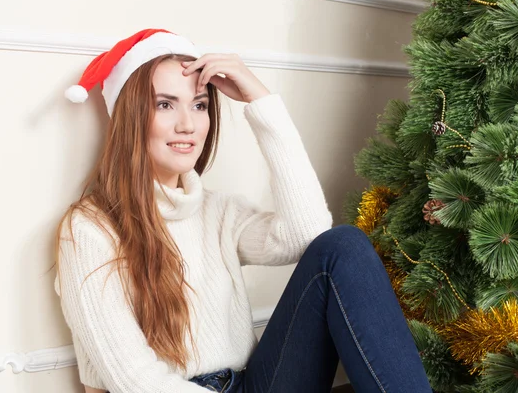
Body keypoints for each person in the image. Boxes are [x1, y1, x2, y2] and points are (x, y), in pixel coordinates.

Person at [54, 28, 432, 393]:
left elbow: (308, 234)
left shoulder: (217, 211)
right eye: (165, 104)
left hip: (250, 383)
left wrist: (260, 100)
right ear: (131, 117)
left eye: (199, 105)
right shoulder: (89, 230)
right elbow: (134, 380)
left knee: (343, 245)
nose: (188, 125)